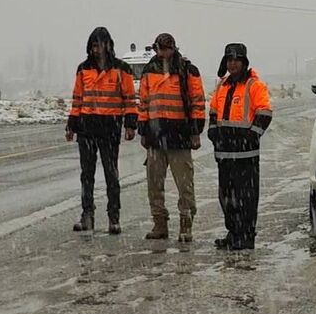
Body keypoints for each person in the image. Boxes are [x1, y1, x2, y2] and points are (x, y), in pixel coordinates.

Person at [65, 26, 137, 234]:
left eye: (101, 45)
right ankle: (87, 215)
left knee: (111, 174)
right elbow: (77, 99)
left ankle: (114, 217)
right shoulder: (83, 69)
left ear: (109, 45)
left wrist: (130, 125)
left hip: (110, 128)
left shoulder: (121, 69)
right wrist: (72, 124)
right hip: (87, 128)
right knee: (86, 175)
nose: (97, 49)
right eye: (94, 45)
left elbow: (129, 99)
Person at [136, 32, 205, 243]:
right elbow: (144, 103)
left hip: (180, 138)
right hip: (156, 139)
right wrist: (143, 129)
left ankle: (186, 225)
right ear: (156, 49)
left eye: (167, 48)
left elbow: (197, 102)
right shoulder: (149, 71)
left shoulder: (187, 70)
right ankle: (160, 224)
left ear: (174, 48)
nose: (163, 52)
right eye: (160, 48)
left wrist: (195, 131)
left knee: (185, 186)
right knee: (154, 186)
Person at [207, 43, 272, 250]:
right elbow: (213, 113)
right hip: (224, 154)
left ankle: (246, 236)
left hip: (246, 155)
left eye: (236, 60)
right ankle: (233, 233)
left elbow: (265, 113)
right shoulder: (222, 86)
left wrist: (252, 136)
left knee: (247, 198)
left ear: (244, 62)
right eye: (229, 60)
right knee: (226, 197)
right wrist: (213, 132)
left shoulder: (255, 85)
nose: (232, 64)